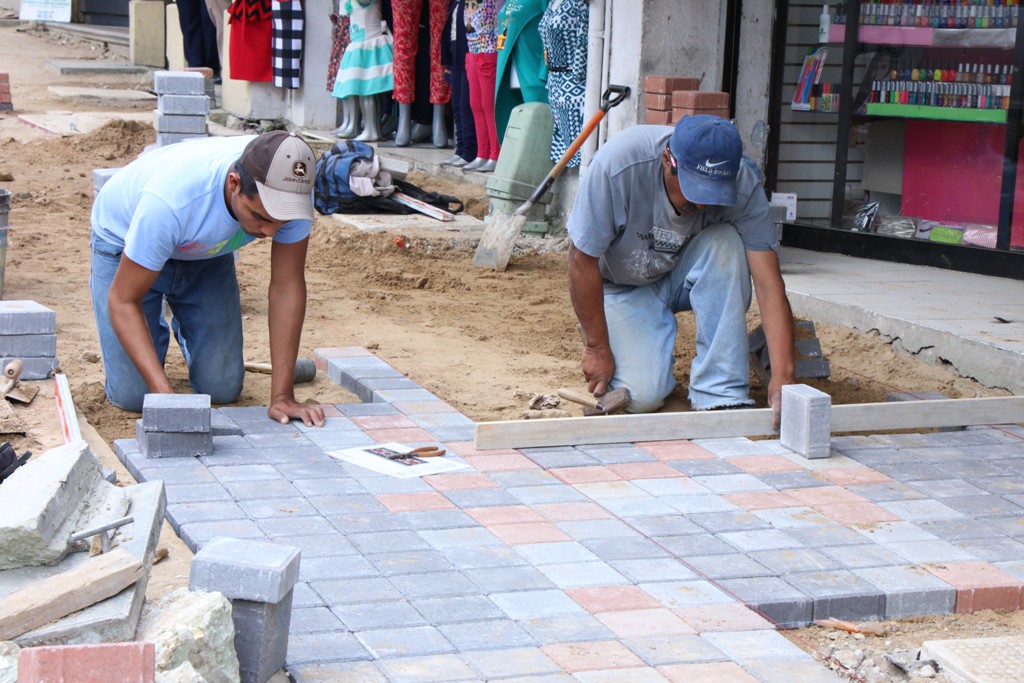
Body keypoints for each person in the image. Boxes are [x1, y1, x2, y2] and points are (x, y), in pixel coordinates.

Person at [566, 115, 796, 427]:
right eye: (695, 190)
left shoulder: (744, 185)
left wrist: (784, 376)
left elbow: (769, 285)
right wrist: (597, 347)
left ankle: (720, 392)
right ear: (667, 161)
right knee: (642, 396)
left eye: (714, 193)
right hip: (621, 285)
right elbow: (581, 260)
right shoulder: (619, 166)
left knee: (727, 243)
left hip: (680, 272)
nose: (702, 206)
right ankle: (625, 333)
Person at [89, 131, 326, 427]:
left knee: (222, 388)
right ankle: (154, 331)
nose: (270, 232)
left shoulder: (291, 193)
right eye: (261, 218)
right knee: (135, 396)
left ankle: (190, 334)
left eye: (282, 222)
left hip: (204, 251)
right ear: (234, 183)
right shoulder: (170, 202)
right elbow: (123, 300)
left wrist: (282, 395)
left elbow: (286, 286)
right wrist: (165, 397)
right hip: (124, 243)